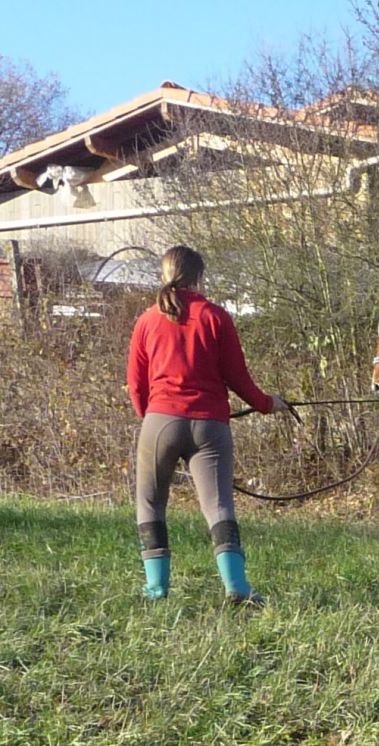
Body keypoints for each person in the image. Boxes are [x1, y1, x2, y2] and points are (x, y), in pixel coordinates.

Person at [126, 245, 288, 605]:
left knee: (150, 503)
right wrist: (267, 404)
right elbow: (238, 378)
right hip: (210, 426)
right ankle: (237, 586)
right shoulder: (216, 317)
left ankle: (156, 589)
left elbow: (136, 384)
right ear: (199, 277)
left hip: (160, 421)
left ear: (163, 275)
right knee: (218, 506)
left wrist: (151, 416)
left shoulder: (147, 321)